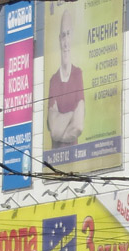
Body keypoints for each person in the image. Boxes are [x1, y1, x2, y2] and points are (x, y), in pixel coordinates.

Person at [48, 7, 85, 148]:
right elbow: (54, 131)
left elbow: (78, 126)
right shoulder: (53, 81)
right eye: (63, 35)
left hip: (74, 157)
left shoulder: (77, 75)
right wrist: (71, 114)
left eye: (68, 34)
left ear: (73, 37)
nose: (66, 41)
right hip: (53, 159)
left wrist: (61, 118)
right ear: (59, 39)